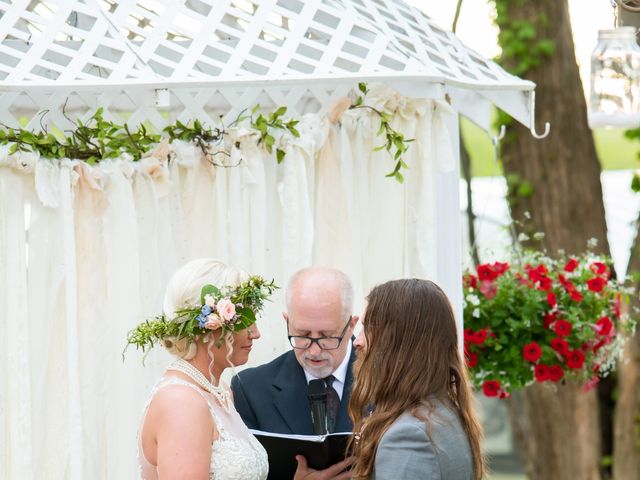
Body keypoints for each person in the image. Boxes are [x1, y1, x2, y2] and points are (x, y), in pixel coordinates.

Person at [125, 258, 278, 480]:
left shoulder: (221, 391)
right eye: (244, 319)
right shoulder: (181, 402)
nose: (255, 333)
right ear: (210, 325)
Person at [347, 278, 485, 480]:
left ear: (401, 340)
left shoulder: (409, 435)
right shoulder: (442, 412)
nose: (357, 341)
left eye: (367, 328)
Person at [231, 267, 359, 435]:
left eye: (327, 336)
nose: (314, 351)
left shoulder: (389, 379)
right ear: (287, 322)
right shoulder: (250, 389)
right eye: (302, 335)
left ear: (351, 326)